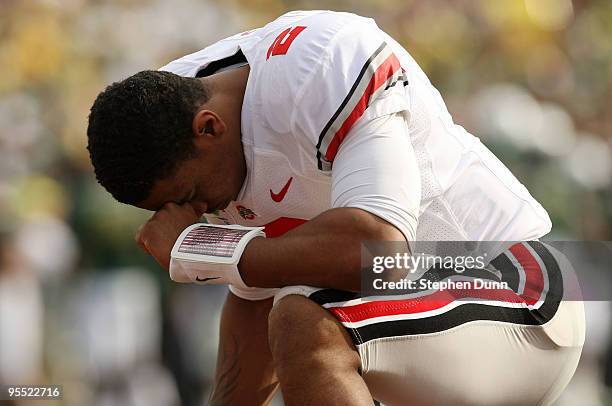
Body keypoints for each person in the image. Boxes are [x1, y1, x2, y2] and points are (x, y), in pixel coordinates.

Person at [86, 10, 585, 406]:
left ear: (210, 128)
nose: (190, 212)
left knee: (303, 317)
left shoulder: (318, 63)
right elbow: (255, 296)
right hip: (416, 336)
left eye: (189, 195)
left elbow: (380, 252)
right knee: (293, 307)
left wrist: (206, 247)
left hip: (513, 287)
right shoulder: (178, 114)